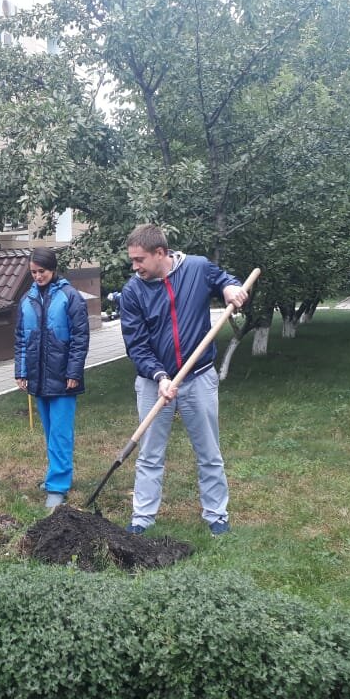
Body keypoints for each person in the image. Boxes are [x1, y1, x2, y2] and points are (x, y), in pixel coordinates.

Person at [119, 224, 248, 536]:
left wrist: (231, 288)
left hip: (199, 378)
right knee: (150, 455)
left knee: (209, 452)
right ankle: (142, 519)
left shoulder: (198, 268)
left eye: (139, 260)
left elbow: (223, 280)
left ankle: (217, 515)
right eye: (132, 261)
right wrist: (160, 376)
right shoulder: (132, 292)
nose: (134, 267)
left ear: (160, 253)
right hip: (154, 383)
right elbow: (137, 345)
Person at [14, 247, 90, 509]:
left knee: (60, 433)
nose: (37, 276)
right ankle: (56, 474)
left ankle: (58, 486)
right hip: (37, 377)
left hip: (63, 378)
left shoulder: (71, 297)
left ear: (53, 269)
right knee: (50, 432)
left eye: (42, 271)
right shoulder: (27, 300)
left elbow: (81, 339)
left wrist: (73, 372)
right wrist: (21, 371)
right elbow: (21, 339)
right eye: (33, 272)